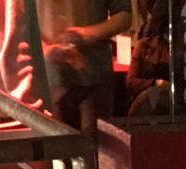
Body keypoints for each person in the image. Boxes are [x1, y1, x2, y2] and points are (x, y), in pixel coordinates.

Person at [37, 0, 132, 131]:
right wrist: (47, 49)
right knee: (84, 141)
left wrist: (82, 34)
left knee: (68, 140)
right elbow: (124, 16)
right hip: (56, 78)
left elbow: (124, 17)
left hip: (92, 75)